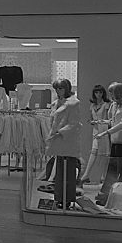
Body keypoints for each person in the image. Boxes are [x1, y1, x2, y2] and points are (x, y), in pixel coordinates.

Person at [94, 82, 122, 204]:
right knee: (111, 168)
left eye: (112, 93)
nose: (110, 95)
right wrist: (101, 122)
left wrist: (105, 132)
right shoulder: (115, 105)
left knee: (120, 168)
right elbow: (112, 120)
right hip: (114, 139)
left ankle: (119, 195)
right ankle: (106, 193)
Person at [45, 78, 82, 208]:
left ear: (67, 88)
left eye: (60, 88)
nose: (58, 91)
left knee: (68, 172)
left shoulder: (73, 103)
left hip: (67, 141)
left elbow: (74, 123)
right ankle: (59, 197)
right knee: (59, 172)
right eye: (56, 88)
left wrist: (60, 132)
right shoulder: (56, 103)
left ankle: (67, 199)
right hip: (58, 141)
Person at [81, 84, 111, 187]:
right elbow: (91, 118)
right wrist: (92, 121)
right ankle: (89, 175)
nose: (98, 94)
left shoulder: (106, 105)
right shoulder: (92, 105)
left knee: (104, 154)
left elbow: (109, 119)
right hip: (95, 130)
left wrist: (101, 122)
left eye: (100, 92)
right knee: (94, 152)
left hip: (104, 130)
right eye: (96, 92)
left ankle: (101, 176)